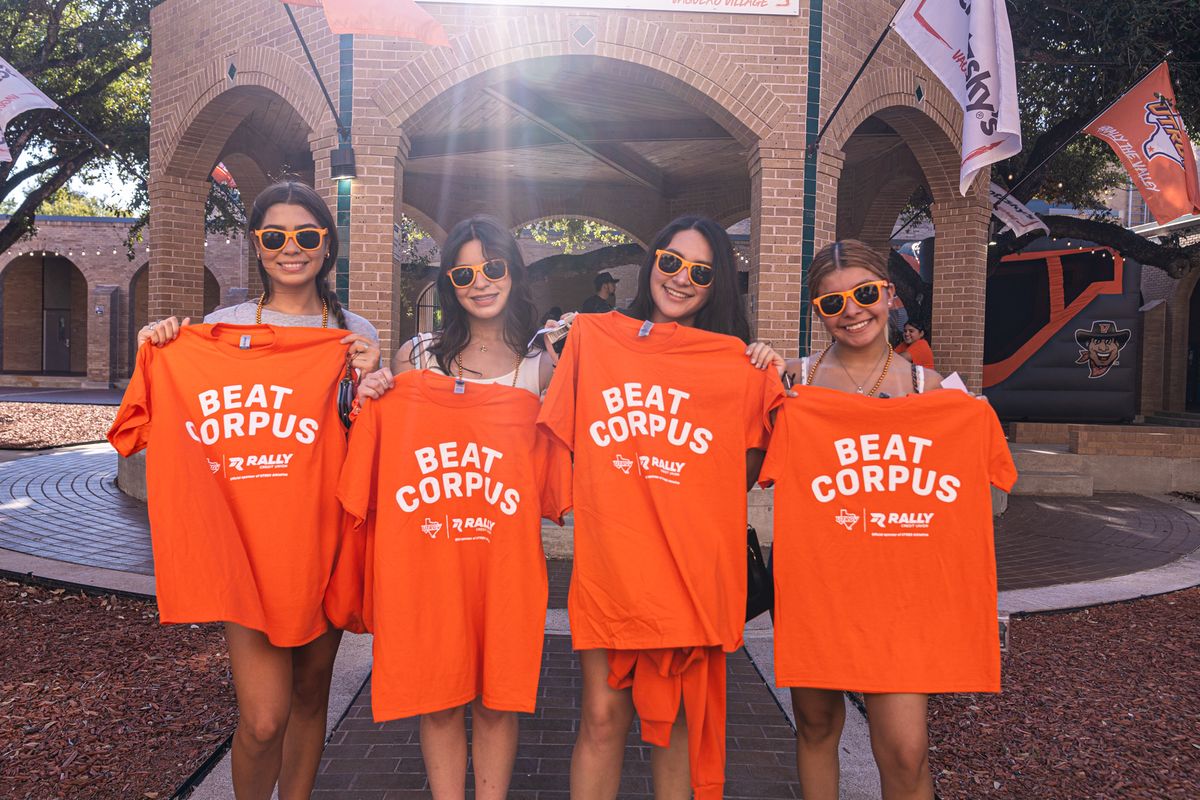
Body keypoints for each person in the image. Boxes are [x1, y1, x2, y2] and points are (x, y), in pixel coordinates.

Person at [133, 179, 380, 800]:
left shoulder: (354, 333)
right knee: (264, 716)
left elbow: (380, 441)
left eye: (305, 235)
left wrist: (380, 385)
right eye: (274, 236)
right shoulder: (221, 329)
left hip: (324, 541)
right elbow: (168, 424)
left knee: (308, 692)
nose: (289, 248)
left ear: (328, 245)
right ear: (257, 245)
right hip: (247, 548)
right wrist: (162, 350)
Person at [539, 215, 785, 800]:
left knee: (676, 725)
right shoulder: (598, 339)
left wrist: (758, 376)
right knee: (601, 719)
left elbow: (741, 477)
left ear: (717, 281)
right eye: (670, 261)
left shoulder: (737, 365)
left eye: (699, 270)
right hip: (612, 568)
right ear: (652, 261)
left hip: (688, 575)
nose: (680, 278)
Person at [352, 215, 556, 800]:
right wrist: (371, 396)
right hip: (428, 559)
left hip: (506, 565)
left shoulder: (542, 367)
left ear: (513, 272)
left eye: (493, 267)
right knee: (438, 700)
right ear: (449, 282)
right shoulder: (418, 358)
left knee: (498, 701)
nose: (481, 282)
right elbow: (385, 441)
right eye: (464, 272)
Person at [782, 239, 943, 800]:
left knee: (904, 749)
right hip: (815, 584)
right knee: (818, 726)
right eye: (832, 302)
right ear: (817, 312)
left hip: (900, 590)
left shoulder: (932, 391)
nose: (852, 310)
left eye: (865, 293)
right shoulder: (790, 384)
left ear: (890, 295)